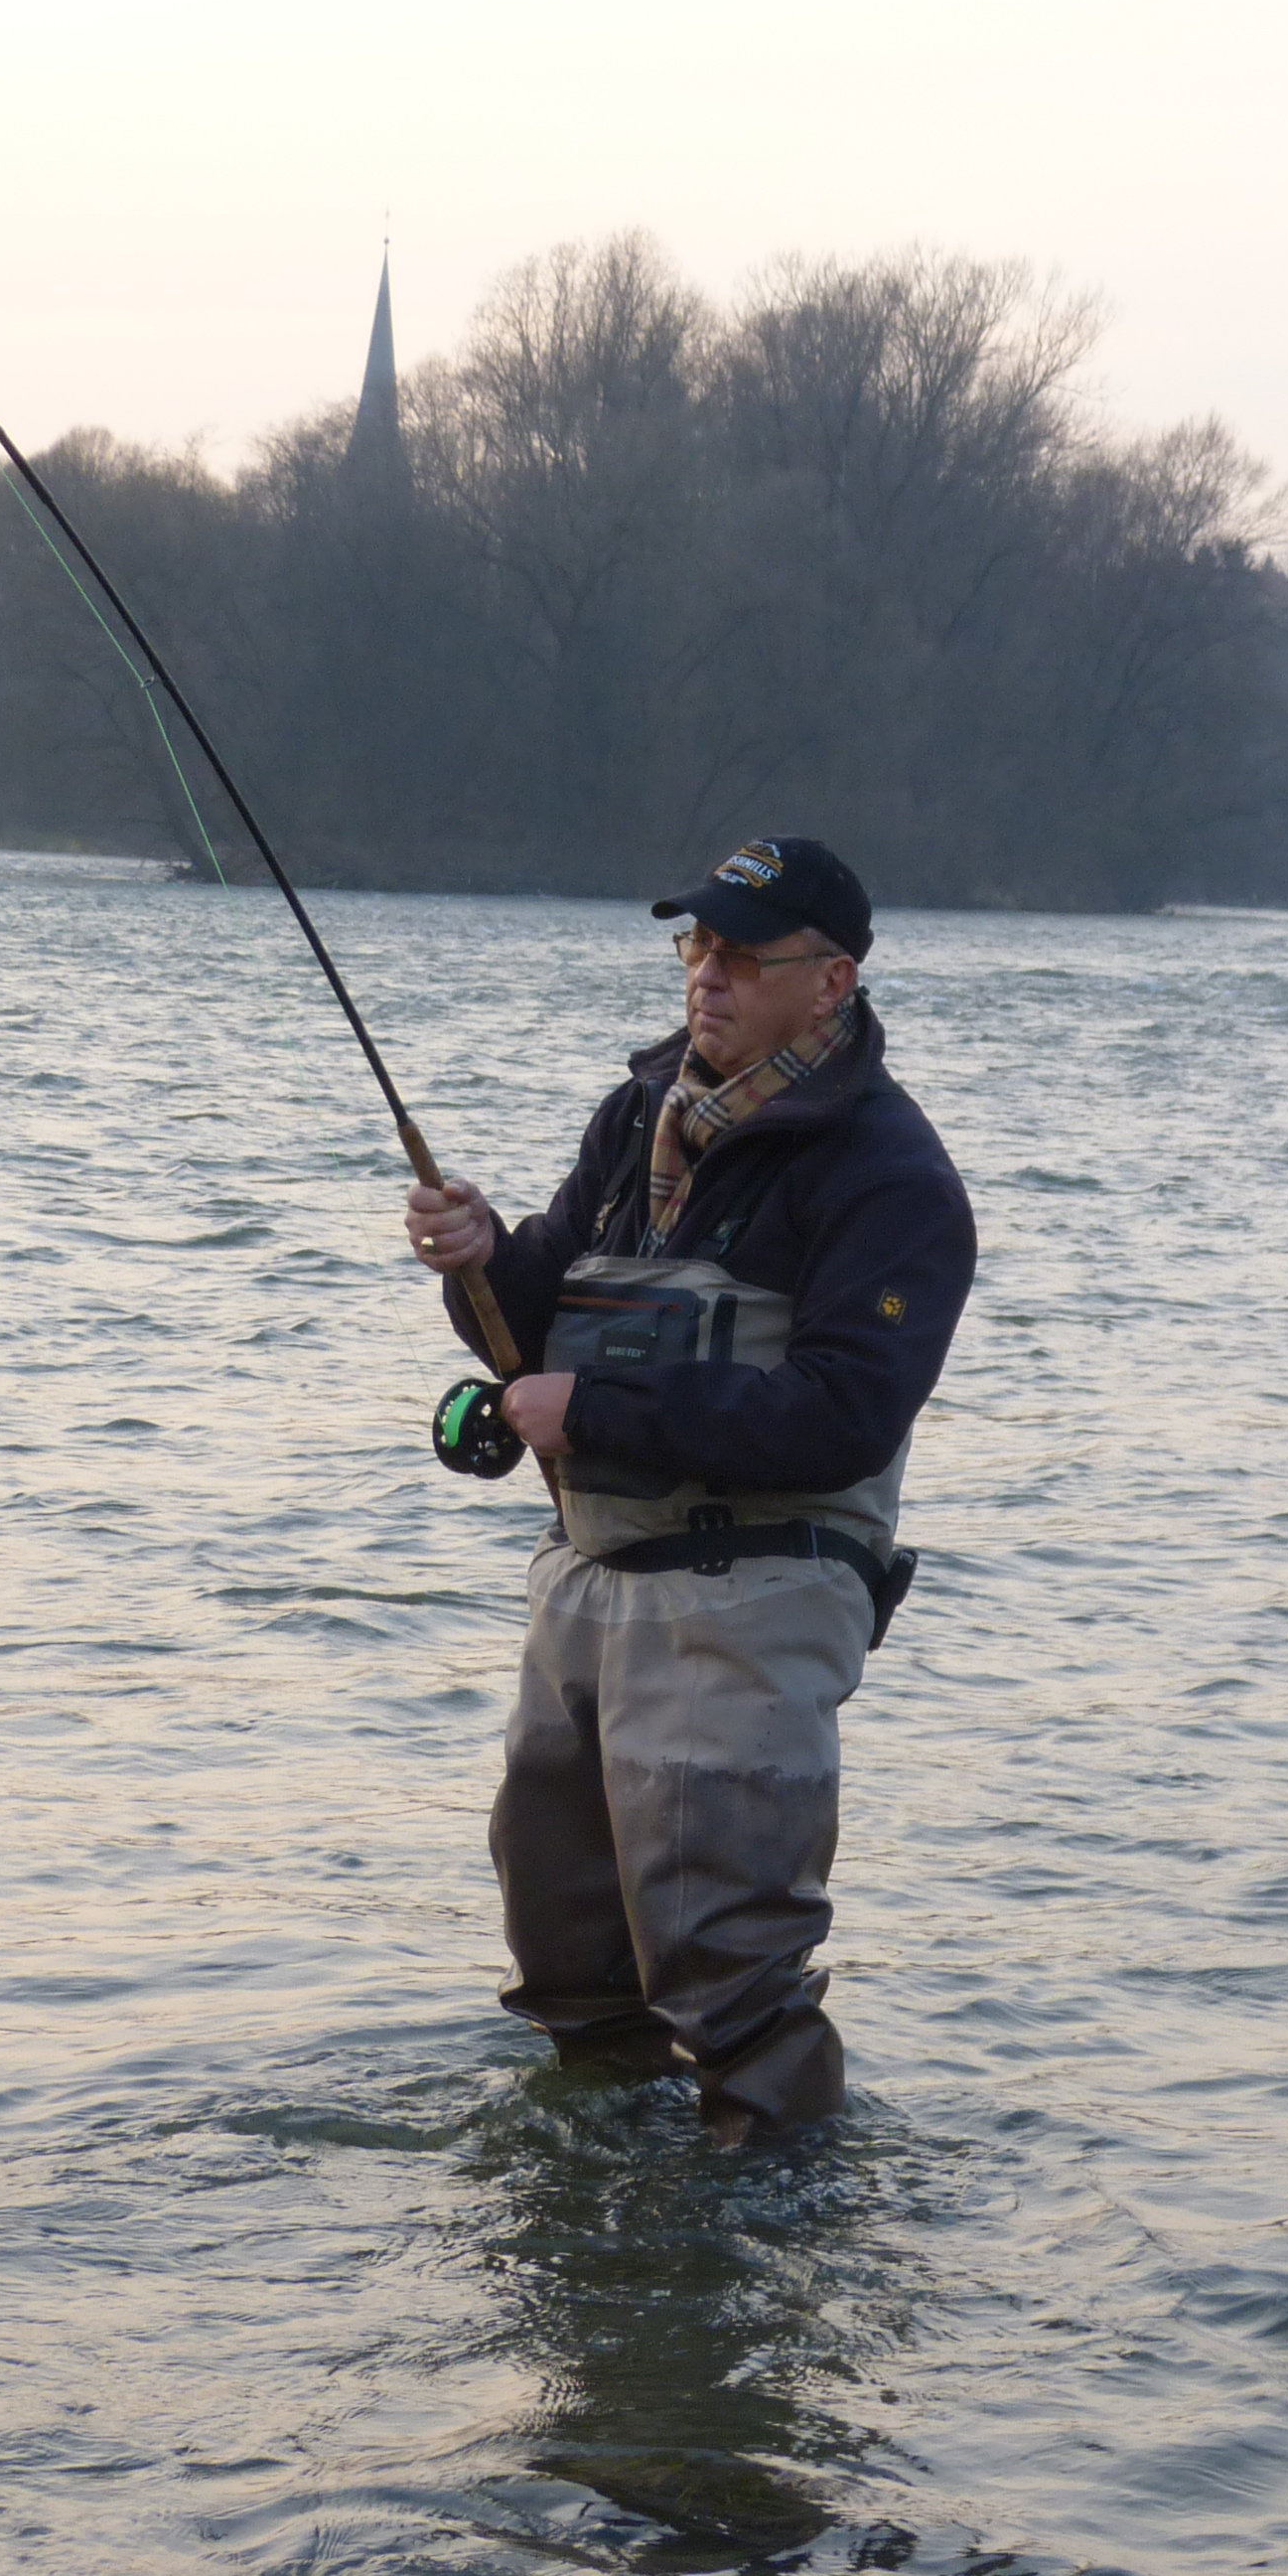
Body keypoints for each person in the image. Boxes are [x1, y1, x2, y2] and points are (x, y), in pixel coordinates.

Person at [406, 834, 974, 2141]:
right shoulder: (634, 1118)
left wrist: (594, 1410)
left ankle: (766, 2247)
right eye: (694, 949)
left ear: (830, 983)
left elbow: (844, 1413)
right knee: (564, 1960)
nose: (704, 979)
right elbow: (535, 1310)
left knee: (732, 1984)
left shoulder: (889, 1176)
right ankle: (608, 2207)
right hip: (592, 1582)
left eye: (739, 955)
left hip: (758, 1595)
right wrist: (479, 1258)